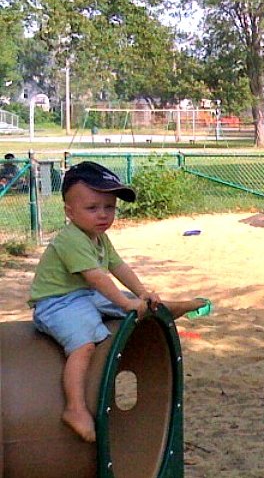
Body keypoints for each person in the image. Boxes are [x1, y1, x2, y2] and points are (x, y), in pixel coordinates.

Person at [28, 161, 210, 443]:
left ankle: (163, 308)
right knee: (84, 345)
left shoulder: (99, 237)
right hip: (57, 302)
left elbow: (119, 267)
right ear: (69, 211)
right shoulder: (70, 240)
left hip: (85, 295)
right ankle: (74, 408)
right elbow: (97, 277)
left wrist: (140, 292)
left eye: (109, 207)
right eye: (92, 208)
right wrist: (126, 304)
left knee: (129, 301)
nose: (102, 215)